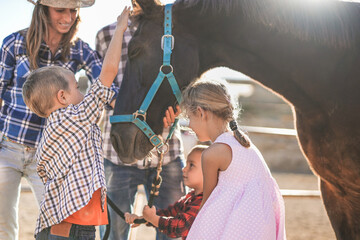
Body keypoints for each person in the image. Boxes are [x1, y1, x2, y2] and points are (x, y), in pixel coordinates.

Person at [0, 0, 120, 239]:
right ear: (44, 10)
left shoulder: (80, 50)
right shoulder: (13, 43)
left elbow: (109, 89)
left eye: (73, 10)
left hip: (50, 156)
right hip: (8, 147)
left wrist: (137, 112)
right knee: (4, 224)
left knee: (60, 216)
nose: (68, 16)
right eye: (60, 9)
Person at [96, 18, 185, 240]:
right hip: (117, 153)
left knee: (173, 232)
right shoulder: (106, 36)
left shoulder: (178, 32)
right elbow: (100, 84)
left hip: (166, 152)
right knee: (114, 233)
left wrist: (180, 105)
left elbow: (187, 79)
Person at [180, 79, 286, 240]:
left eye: (189, 117)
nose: (189, 125)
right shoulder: (243, 142)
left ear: (201, 113)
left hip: (240, 229)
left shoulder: (212, 154)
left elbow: (206, 206)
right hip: (262, 227)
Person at [124, 145, 206, 240]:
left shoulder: (203, 202)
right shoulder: (191, 197)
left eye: (191, 165)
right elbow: (170, 214)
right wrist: (145, 218)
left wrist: (154, 219)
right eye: (186, 164)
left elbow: (181, 226)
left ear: (208, 172)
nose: (184, 169)